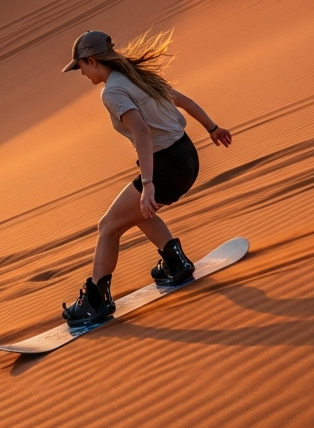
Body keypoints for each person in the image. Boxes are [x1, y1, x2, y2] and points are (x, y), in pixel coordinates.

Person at [60, 29, 233, 327]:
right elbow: (184, 101)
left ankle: (96, 303)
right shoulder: (137, 76)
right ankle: (175, 261)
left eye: (80, 67)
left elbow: (140, 130)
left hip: (167, 166)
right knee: (138, 210)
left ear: (92, 61)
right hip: (187, 155)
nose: (82, 74)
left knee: (107, 227)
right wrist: (213, 127)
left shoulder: (112, 91)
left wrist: (148, 184)